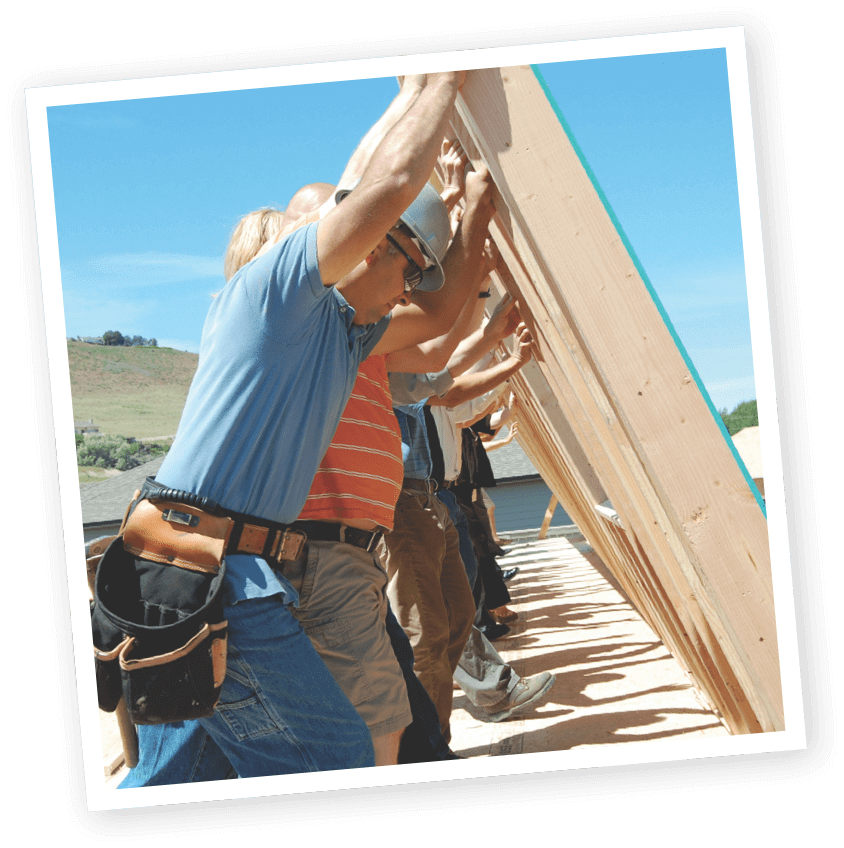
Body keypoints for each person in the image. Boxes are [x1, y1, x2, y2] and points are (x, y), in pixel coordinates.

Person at [111, 71, 482, 783]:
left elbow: (436, 318)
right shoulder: (273, 292)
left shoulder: (342, 338)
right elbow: (382, 182)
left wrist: (467, 205)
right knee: (336, 755)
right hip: (205, 569)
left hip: (217, 571)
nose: (407, 293)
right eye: (406, 272)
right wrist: (444, 76)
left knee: (185, 773)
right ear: (373, 249)